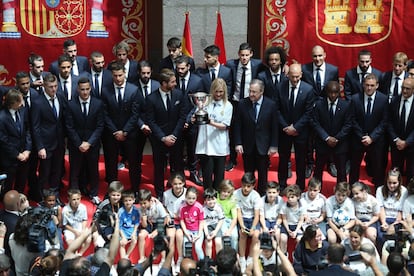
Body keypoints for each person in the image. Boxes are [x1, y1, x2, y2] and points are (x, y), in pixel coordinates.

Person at [145, 68, 186, 200]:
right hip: (159, 140)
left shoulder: (179, 95)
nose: (175, 84)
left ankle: (179, 193)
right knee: (159, 168)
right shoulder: (151, 99)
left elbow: (182, 117)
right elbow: (150, 121)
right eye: (173, 82)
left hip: (176, 139)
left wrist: (173, 135)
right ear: (163, 83)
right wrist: (163, 137)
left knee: (177, 166)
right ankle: (160, 194)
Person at [100, 61, 141, 192]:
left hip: (130, 134)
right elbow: (104, 114)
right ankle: (112, 191)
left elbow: (135, 114)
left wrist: (125, 131)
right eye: (115, 75)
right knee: (111, 163)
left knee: (134, 163)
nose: (118, 78)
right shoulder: (105, 91)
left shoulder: (133, 90)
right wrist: (115, 131)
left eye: (120, 75)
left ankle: (135, 190)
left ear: (125, 74)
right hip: (111, 134)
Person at [234, 79, 278, 195]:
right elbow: (237, 125)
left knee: (263, 174)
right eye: (250, 91)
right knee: (248, 173)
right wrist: (238, 143)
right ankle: (248, 195)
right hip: (247, 146)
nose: (251, 94)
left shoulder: (271, 105)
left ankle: (262, 196)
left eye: (254, 92)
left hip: (263, 146)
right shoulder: (243, 104)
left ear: (261, 92)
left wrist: (273, 145)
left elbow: (274, 127)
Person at [301, 45, 340, 178]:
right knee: (309, 139)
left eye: (319, 55)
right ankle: (310, 163)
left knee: (328, 136)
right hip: (310, 110)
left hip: (326, 109)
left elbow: (334, 90)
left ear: (325, 55)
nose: (317, 59)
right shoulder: (304, 69)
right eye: (314, 56)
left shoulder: (333, 70)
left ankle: (330, 163)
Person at [276, 63, 315, 191]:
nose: (295, 80)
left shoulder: (308, 89)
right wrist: (286, 127)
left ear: (301, 75)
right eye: (292, 77)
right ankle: (282, 185)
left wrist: (296, 127)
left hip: (301, 132)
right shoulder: (280, 87)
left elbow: (309, 112)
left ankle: (300, 186)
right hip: (284, 131)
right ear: (287, 75)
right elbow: (276, 110)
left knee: (301, 160)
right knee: (283, 160)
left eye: (297, 77)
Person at [65, 77, 104, 204]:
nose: (85, 92)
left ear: (91, 88)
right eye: (82, 89)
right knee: (75, 171)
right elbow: (69, 127)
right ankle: (74, 196)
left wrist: (89, 142)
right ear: (78, 89)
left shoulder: (98, 103)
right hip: (76, 145)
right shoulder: (71, 104)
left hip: (92, 144)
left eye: (87, 89)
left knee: (93, 170)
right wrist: (79, 143)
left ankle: (93, 194)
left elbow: (100, 126)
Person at [226, 42, 263, 171]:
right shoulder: (231, 65)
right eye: (242, 55)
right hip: (236, 102)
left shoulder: (257, 65)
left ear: (251, 54)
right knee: (234, 130)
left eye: (247, 55)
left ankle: (257, 158)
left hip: (251, 101)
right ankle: (232, 159)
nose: (244, 58)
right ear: (238, 54)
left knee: (252, 128)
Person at [31, 73, 66, 202]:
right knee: (44, 173)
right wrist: (40, 147)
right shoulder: (37, 102)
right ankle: (42, 198)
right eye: (51, 86)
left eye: (56, 86)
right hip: (45, 145)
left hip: (59, 143)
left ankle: (55, 197)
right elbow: (35, 126)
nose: (54, 89)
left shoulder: (60, 98)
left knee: (57, 172)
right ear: (44, 86)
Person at [349, 73, 388, 187]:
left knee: (378, 169)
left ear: (377, 85)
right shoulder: (355, 98)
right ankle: (352, 192)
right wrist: (362, 136)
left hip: (376, 141)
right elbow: (352, 119)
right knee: (354, 168)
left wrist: (372, 137)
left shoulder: (383, 99)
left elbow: (384, 121)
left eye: (372, 85)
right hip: (358, 139)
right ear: (363, 85)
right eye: (367, 85)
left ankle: (379, 193)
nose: (369, 88)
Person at [312, 80, 352, 187]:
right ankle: (315, 192)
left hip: (340, 144)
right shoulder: (319, 105)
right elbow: (315, 123)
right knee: (318, 170)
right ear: (326, 92)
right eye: (330, 92)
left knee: (342, 172)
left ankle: (342, 193)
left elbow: (348, 125)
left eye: (335, 92)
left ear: (339, 92)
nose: (333, 95)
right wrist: (326, 137)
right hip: (322, 143)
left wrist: (336, 138)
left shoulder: (346, 105)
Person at [195, 78, 233, 190]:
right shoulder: (205, 103)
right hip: (205, 144)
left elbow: (225, 126)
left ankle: (217, 196)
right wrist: (195, 118)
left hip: (219, 144)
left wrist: (210, 122)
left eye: (221, 92)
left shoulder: (228, 105)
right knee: (207, 174)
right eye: (216, 91)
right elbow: (198, 116)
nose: (218, 94)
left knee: (219, 175)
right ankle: (208, 195)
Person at [175, 55, 203, 186]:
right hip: (176, 121)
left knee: (192, 149)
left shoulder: (197, 81)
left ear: (188, 67)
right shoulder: (173, 79)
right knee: (178, 150)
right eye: (178, 68)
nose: (179, 71)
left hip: (191, 121)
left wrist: (188, 119)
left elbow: (199, 102)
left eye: (182, 68)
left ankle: (193, 173)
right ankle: (179, 176)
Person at [15, 71, 41, 201]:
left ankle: (33, 191)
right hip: (20, 139)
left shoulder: (36, 95)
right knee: (20, 171)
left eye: (27, 83)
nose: (26, 86)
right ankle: (17, 195)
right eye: (23, 84)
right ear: (17, 84)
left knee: (33, 168)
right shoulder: (13, 96)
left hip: (34, 137)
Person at [0, 89, 31, 195]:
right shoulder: (2, 118)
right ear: (13, 103)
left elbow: (27, 130)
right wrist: (17, 154)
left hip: (24, 156)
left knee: (21, 183)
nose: (23, 103)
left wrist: (27, 150)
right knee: (7, 187)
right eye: (21, 101)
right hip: (9, 159)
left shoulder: (23, 111)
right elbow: (3, 141)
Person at [195, 44, 233, 117]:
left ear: (216, 58)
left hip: (222, 108)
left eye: (208, 57)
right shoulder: (200, 72)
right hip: (206, 107)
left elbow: (228, 91)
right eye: (205, 57)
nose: (205, 59)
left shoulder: (226, 72)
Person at [388, 77, 414, 182]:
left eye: (407, 88)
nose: (404, 91)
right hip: (396, 145)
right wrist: (396, 139)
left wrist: (407, 142)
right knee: (395, 174)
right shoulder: (394, 100)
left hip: (412, 146)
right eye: (403, 88)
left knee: (411, 174)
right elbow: (389, 122)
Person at [234, 172, 261, 273]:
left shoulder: (256, 196)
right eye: (244, 185)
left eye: (248, 186)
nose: (246, 188)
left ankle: (250, 257)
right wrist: (242, 226)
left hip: (253, 219)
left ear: (253, 186)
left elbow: (257, 214)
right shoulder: (236, 193)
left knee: (256, 235)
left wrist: (253, 228)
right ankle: (242, 259)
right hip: (242, 219)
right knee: (242, 234)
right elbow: (238, 212)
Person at [376, 168, 408, 246]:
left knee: (396, 236)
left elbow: (401, 211)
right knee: (381, 236)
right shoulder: (380, 190)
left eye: (394, 183)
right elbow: (381, 208)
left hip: (397, 219)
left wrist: (394, 225)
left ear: (399, 182)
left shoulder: (404, 191)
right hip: (384, 217)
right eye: (389, 182)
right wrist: (384, 223)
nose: (391, 185)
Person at [162, 172, 186, 272]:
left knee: (179, 235)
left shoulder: (187, 193)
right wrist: (167, 215)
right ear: (171, 183)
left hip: (183, 221)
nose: (177, 186)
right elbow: (164, 207)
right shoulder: (166, 194)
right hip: (171, 220)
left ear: (184, 183)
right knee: (171, 236)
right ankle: (170, 259)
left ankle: (180, 259)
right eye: (175, 184)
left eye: (180, 183)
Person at [138, 188, 168, 263]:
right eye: (141, 203)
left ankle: (164, 259)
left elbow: (165, 219)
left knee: (160, 237)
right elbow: (144, 226)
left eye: (144, 203)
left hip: (159, 223)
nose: (143, 205)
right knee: (141, 235)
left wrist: (157, 231)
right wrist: (143, 220)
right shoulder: (140, 209)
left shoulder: (158, 205)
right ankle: (142, 257)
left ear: (150, 201)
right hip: (149, 224)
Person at [92, 181, 124, 247]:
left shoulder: (122, 203)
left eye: (118, 195)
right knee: (101, 241)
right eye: (113, 195)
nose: (116, 197)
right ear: (109, 194)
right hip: (104, 227)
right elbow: (95, 218)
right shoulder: (104, 204)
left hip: (117, 227)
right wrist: (96, 231)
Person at [62, 189, 90, 256]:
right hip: (70, 229)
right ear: (69, 199)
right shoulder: (65, 210)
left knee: (88, 239)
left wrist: (83, 230)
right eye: (74, 199)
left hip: (80, 226)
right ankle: (75, 254)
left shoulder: (83, 207)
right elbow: (65, 225)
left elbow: (84, 219)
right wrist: (75, 232)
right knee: (71, 243)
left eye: (78, 199)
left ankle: (80, 253)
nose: (76, 201)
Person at [179, 186, 205, 260]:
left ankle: (202, 263)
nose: (191, 200)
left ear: (196, 197)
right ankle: (186, 262)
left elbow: (201, 221)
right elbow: (182, 221)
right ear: (186, 197)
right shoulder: (182, 207)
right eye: (189, 198)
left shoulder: (199, 207)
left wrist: (199, 234)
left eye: (193, 198)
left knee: (197, 247)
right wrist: (186, 233)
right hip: (188, 231)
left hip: (197, 231)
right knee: (186, 245)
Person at [280, 185, 305, 254]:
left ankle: (297, 254)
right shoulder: (284, 206)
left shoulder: (302, 207)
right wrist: (288, 230)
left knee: (300, 239)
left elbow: (301, 220)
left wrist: (296, 231)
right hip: (287, 225)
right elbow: (284, 219)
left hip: (297, 226)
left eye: (292, 197)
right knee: (283, 238)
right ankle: (283, 254)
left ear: (298, 197)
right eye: (288, 197)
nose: (290, 199)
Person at [259, 181, 283, 248]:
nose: (271, 195)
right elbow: (261, 216)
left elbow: (280, 216)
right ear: (266, 192)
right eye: (269, 192)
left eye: (274, 192)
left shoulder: (281, 201)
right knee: (261, 232)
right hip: (265, 220)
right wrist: (264, 227)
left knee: (277, 233)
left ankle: (276, 252)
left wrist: (276, 225)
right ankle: (262, 252)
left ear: (278, 193)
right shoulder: (261, 200)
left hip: (275, 220)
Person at [216, 179, 238, 250]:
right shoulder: (215, 197)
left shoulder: (232, 200)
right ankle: (224, 254)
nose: (226, 194)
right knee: (224, 234)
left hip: (230, 220)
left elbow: (234, 218)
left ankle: (234, 254)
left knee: (234, 236)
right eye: (224, 191)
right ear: (220, 190)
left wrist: (230, 230)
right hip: (220, 220)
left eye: (228, 192)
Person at [202, 188, 224, 258]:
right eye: (208, 200)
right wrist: (206, 234)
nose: (211, 201)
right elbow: (204, 222)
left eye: (213, 199)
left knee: (218, 242)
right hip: (207, 226)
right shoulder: (203, 209)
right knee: (208, 243)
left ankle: (219, 260)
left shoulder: (219, 208)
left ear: (216, 199)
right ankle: (209, 261)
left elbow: (221, 220)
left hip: (216, 225)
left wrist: (215, 231)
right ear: (205, 201)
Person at [118, 190, 140, 259]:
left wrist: (134, 233)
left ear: (134, 200)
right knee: (122, 243)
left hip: (132, 230)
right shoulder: (121, 211)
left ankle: (127, 256)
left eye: (130, 200)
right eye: (126, 200)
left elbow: (136, 223)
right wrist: (123, 236)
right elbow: (119, 226)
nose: (128, 202)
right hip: (123, 231)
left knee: (134, 241)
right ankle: (123, 259)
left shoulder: (136, 211)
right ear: (123, 201)